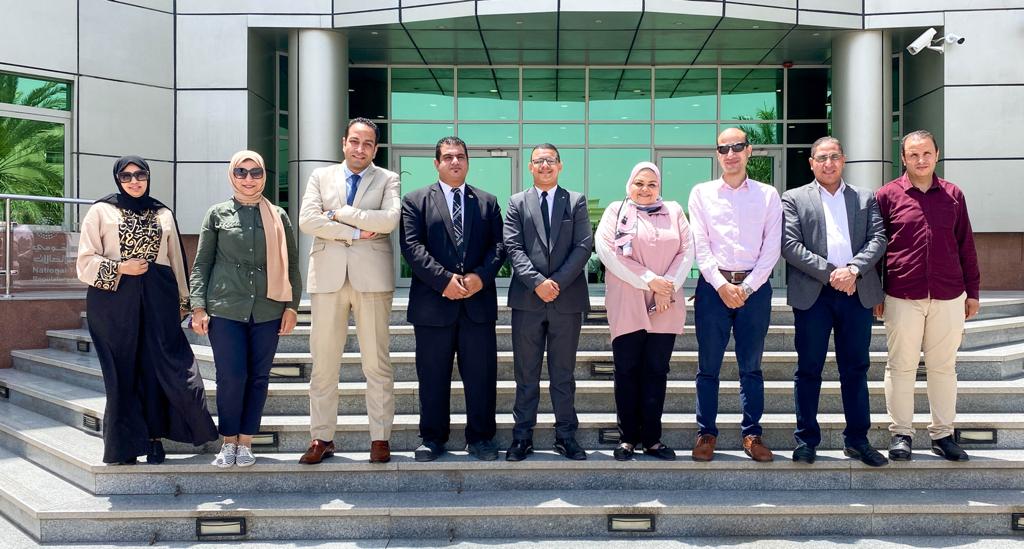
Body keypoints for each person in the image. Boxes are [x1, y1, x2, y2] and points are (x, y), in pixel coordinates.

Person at [76, 155, 217, 465]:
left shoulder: (163, 213)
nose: (134, 181)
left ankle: (154, 440)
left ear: (148, 177)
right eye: (126, 176)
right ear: (118, 179)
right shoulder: (101, 210)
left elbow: (177, 260)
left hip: (158, 297)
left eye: (140, 174)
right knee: (121, 372)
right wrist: (120, 267)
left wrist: (187, 303)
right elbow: (84, 261)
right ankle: (124, 446)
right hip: (113, 300)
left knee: (160, 368)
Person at [298, 117, 401, 464]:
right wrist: (355, 232)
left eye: (368, 143)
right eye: (354, 141)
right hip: (328, 279)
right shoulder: (320, 176)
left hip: (372, 280)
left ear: (375, 148)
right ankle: (321, 437)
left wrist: (340, 213)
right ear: (344, 143)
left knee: (377, 363)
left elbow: (388, 220)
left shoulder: (388, 179)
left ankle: (380, 438)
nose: (360, 149)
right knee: (324, 364)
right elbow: (308, 220)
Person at [189, 150, 302, 468]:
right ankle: (228, 442)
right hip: (225, 307)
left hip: (268, 309)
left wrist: (292, 307)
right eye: (241, 172)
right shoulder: (217, 214)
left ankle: (247, 442)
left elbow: (292, 265)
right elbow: (202, 263)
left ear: (264, 176)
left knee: (258, 377)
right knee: (231, 376)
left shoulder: (278, 215)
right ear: (232, 175)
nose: (248, 179)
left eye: (255, 172)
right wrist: (198, 307)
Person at [781, 137, 888, 467]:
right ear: (811, 163)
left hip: (856, 291)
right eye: (822, 158)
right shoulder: (794, 198)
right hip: (814, 294)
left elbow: (878, 238)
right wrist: (832, 274)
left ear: (844, 160)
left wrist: (853, 270)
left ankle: (857, 440)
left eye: (834, 157)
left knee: (855, 369)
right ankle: (806, 441)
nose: (828, 163)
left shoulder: (865, 197)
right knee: (808, 369)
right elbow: (790, 245)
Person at [875, 130, 981, 462]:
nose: (920, 160)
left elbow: (966, 245)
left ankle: (943, 435)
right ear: (903, 158)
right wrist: (876, 293)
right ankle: (901, 434)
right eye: (913, 154)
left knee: (943, 368)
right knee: (900, 367)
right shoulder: (887, 196)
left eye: (926, 154)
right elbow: (876, 250)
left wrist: (973, 292)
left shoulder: (953, 195)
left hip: (949, 294)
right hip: (902, 294)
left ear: (936, 155)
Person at [399, 136, 506, 462]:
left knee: (481, 376)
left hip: (477, 305)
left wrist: (479, 277)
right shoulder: (415, 201)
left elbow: (499, 247)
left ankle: (481, 438)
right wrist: (444, 280)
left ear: (467, 161)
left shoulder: (487, 202)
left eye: (460, 156)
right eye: (447, 157)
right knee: (432, 376)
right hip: (433, 306)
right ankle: (433, 438)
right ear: (437, 163)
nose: (455, 161)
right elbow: (412, 247)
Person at [687, 128, 781, 462]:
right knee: (707, 367)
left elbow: (772, 247)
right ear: (717, 154)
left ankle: (752, 435)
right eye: (724, 148)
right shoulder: (701, 193)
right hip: (713, 290)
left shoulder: (768, 195)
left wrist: (748, 287)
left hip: (755, 290)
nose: (731, 154)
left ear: (749, 151)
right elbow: (700, 245)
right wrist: (721, 285)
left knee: (751, 367)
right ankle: (706, 434)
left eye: (737, 147)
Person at [595, 161, 693, 461]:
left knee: (656, 371)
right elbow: (608, 251)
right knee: (626, 370)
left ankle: (652, 439)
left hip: (665, 303)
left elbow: (687, 251)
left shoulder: (674, 211)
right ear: (629, 184)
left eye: (652, 184)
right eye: (639, 183)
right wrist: (651, 281)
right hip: (627, 301)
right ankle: (627, 438)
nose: (645, 189)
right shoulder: (616, 211)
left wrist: (667, 288)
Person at [503, 143, 592, 462]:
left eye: (550, 160)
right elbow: (513, 246)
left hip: (566, 301)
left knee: (563, 374)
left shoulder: (576, 201)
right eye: (538, 161)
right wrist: (537, 283)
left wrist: (556, 283)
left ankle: (566, 436)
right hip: (527, 300)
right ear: (530, 167)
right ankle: (522, 437)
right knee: (525, 374)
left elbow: (583, 246)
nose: (545, 165)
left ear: (560, 165)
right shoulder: (516, 202)